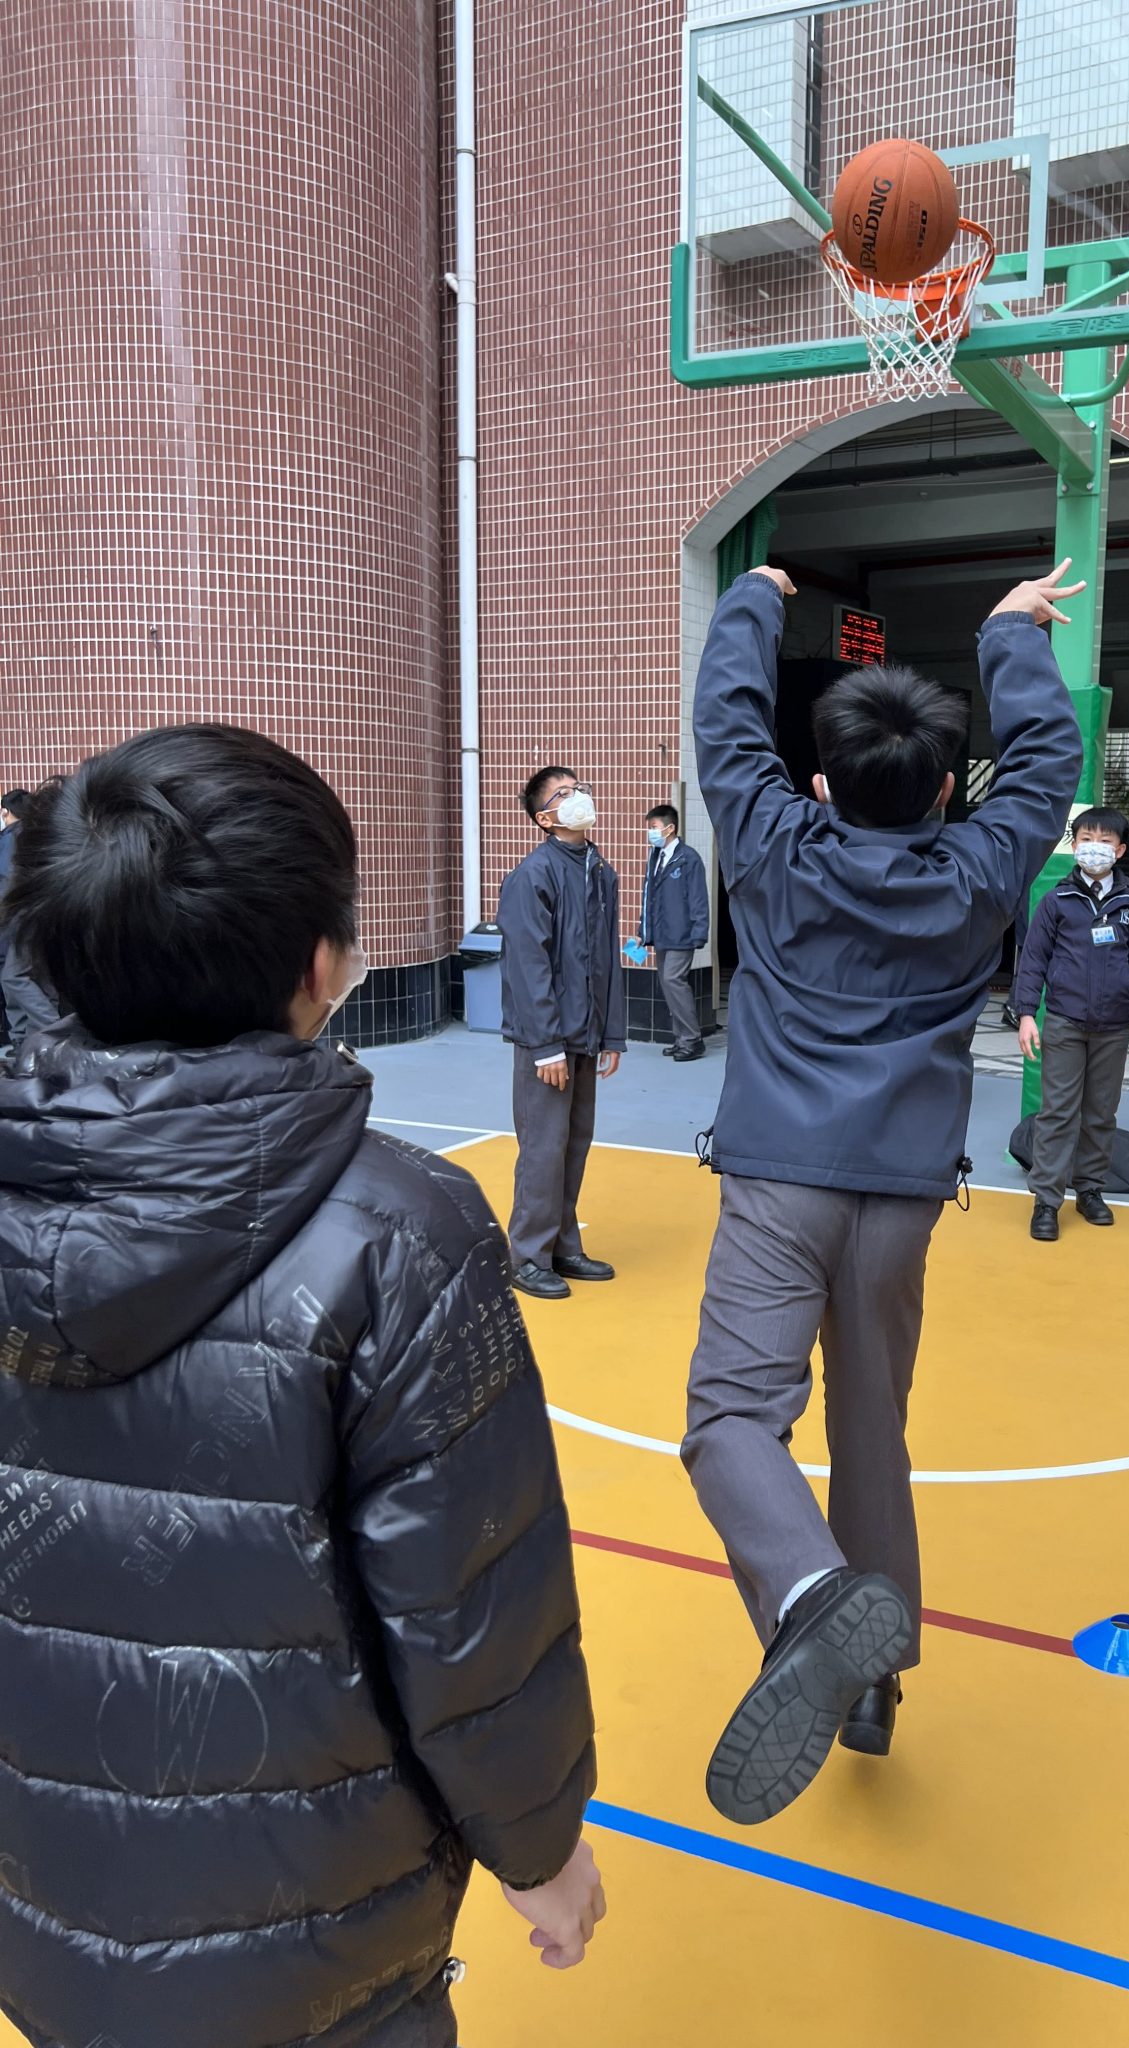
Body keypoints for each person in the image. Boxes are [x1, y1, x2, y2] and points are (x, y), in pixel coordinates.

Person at [0, 724, 603, 2048]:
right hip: (320, 1936)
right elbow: (469, 1610)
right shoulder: (403, 1232)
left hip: (46, 1908)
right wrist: (542, 1846)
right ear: (322, 963)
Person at [684, 560, 1083, 1825]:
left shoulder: (773, 847)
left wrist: (752, 600)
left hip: (778, 1185)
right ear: (949, 790)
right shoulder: (981, 869)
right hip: (901, 1199)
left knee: (732, 1417)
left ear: (819, 783)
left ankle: (810, 1597)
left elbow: (723, 725)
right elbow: (1048, 764)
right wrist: (1010, 634)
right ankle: (874, 1681)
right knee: (871, 1425)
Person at [497, 767, 625, 1300]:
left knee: (574, 1144)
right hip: (548, 1041)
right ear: (544, 819)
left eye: (581, 788)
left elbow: (608, 960)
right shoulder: (533, 876)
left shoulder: (600, 871)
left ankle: (563, 1245)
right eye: (565, 794)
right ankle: (528, 1255)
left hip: (585, 1035)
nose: (580, 797)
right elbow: (528, 967)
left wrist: (612, 1035)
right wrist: (546, 1045)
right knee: (543, 1148)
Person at [1013, 806, 1129, 1239]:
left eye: (1105, 842)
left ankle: (1091, 1189)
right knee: (1058, 1112)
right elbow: (1033, 960)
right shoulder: (1056, 901)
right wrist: (1026, 1014)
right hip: (1064, 1022)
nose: (1095, 848)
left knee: (1100, 1112)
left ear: (1120, 851)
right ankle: (1046, 1200)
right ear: (1073, 845)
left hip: (1113, 1027)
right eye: (1086, 840)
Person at [637, 802, 710, 1061]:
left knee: (673, 980)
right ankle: (682, 1039)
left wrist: (699, 931)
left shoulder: (688, 858)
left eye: (654, 827)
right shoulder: (656, 857)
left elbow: (698, 898)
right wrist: (643, 930)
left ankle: (692, 1039)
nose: (651, 832)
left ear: (670, 828)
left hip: (682, 933)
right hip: (662, 933)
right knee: (668, 985)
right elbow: (649, 896)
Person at [0, 789, 61, 1049]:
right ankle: (27, 1042)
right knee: (33, 977)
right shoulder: (43, 832)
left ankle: (50, 1033)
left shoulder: (14, 837)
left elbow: (8, 878)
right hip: (36, 909)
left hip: (22, 911)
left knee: (15, 976)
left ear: (7, 812)